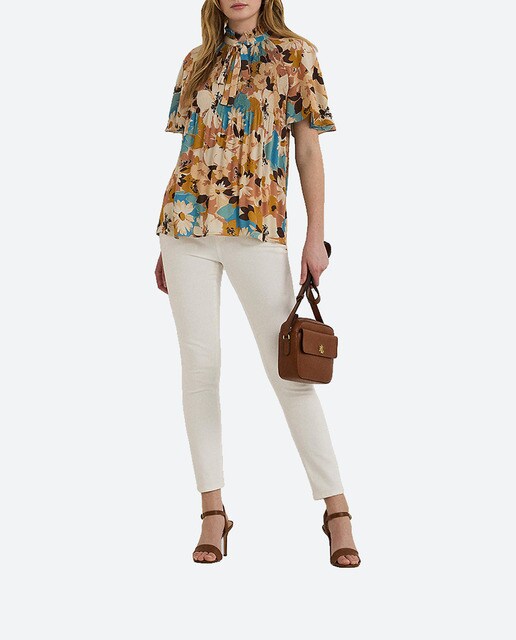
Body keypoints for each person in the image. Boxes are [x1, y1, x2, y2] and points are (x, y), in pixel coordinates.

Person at [154, 0, 361, 567]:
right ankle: (212, 511)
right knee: (199, 370)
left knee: (288, 372)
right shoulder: (196, 60)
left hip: (257, 227)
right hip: (185, 229)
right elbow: (188, 152)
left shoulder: (297, 56)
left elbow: (309, 151)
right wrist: (163, 242)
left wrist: (315, 236)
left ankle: (337, 509)